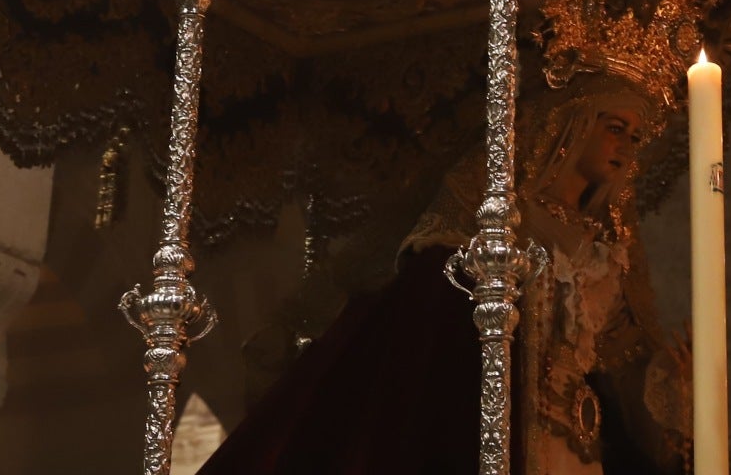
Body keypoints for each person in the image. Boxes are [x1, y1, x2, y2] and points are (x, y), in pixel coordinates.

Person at [197, 72, 689, 475]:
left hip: (580, 442)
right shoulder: (504, 215)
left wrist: (666, 378)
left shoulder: (611, 251)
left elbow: (618, 357)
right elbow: (434, 298)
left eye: (636, 136)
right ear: (573, 125)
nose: (627, 145)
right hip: (504, 417)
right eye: (615, 126)